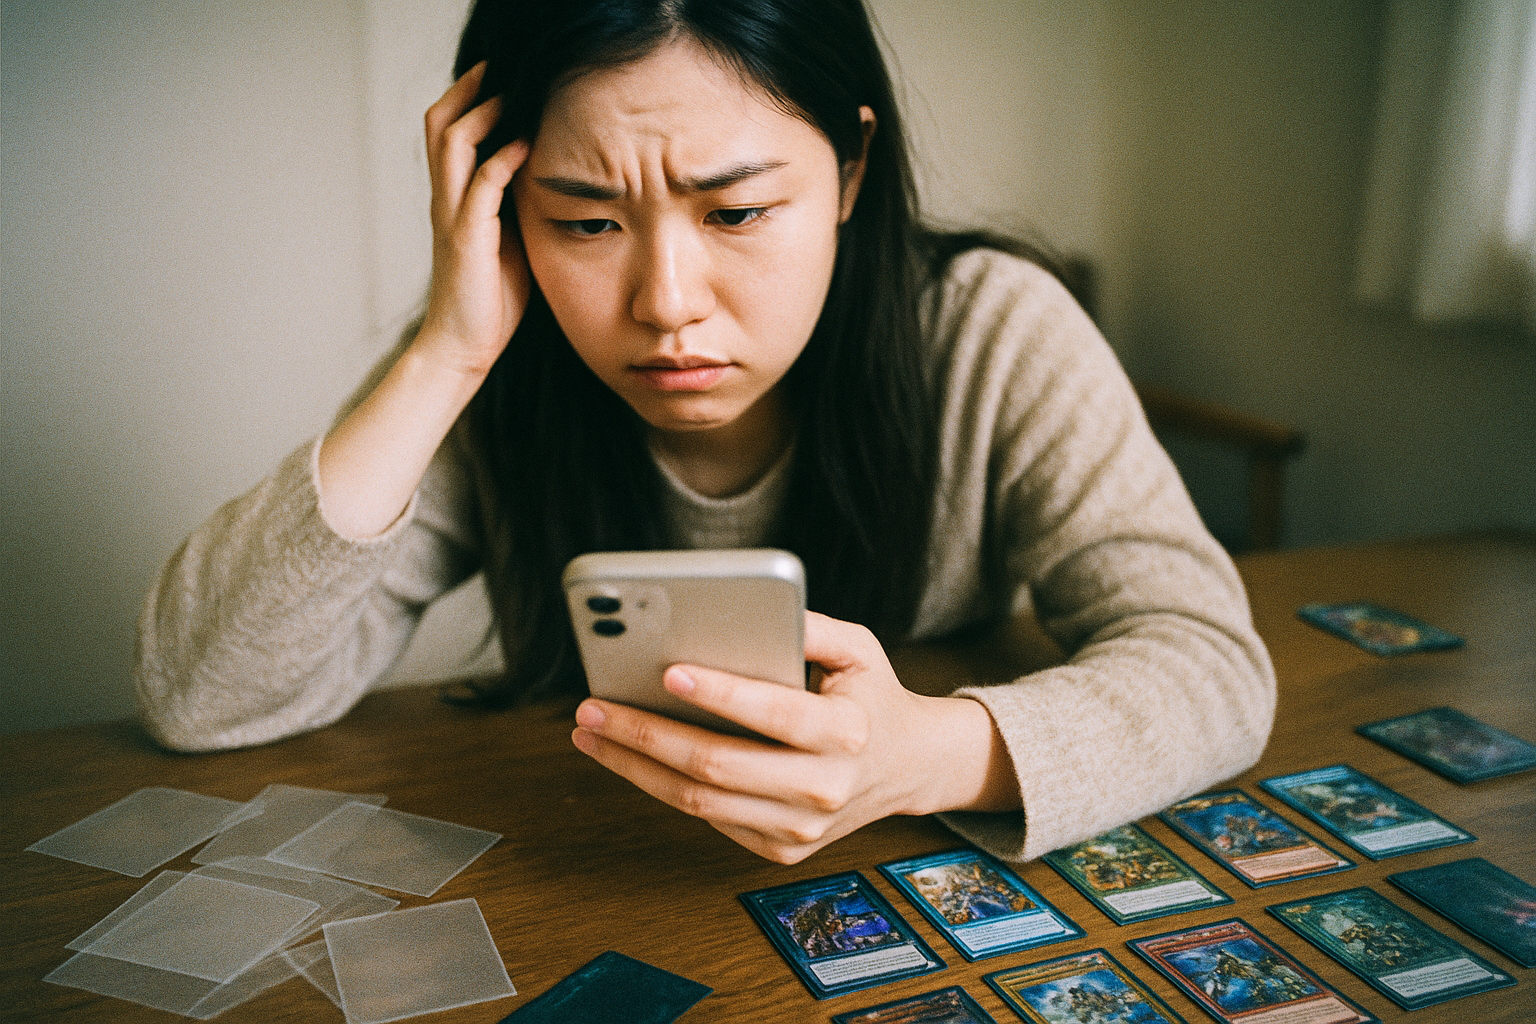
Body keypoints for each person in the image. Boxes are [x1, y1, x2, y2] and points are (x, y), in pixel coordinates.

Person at [135, 0, 1275, 866]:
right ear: (496, 203)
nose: (667, 300)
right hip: (586, 876)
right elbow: (202, 695)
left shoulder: (989, 329)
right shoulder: (495, 367)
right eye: (585, 220)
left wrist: (919, 755)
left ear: (850, 168)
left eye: (734, 211)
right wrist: (445, 355)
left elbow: (1212, 663)